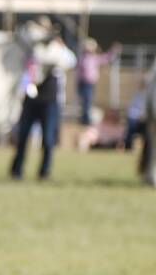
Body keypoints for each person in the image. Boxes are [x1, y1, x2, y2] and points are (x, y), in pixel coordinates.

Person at [10, 37, 76, 180]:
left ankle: (44, 172)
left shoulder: (57, 51)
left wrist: (60, 45)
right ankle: (16, 170)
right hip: (31, 99)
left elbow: (71, 60)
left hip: (49, 101)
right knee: (22, 137)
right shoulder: (33, 49)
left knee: (47, 139)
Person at [77, 38, 121, 126]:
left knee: (88, 101)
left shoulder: (93, 58)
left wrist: (113, 51)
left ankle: (85, 119)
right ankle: (85, 119)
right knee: (86, 101)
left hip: (90, 83)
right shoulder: (84, 58)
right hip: (84, 83)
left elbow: (106, 58)